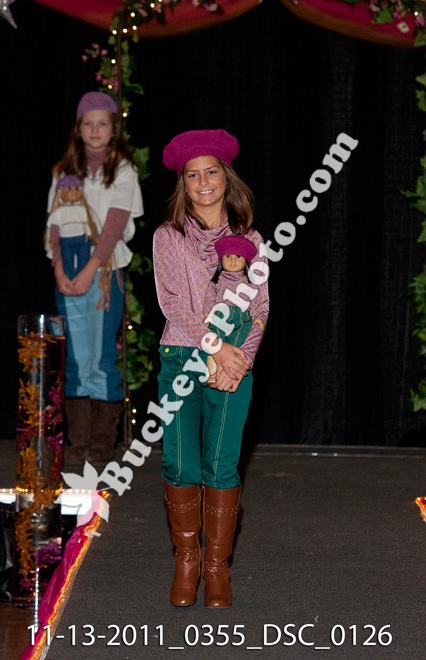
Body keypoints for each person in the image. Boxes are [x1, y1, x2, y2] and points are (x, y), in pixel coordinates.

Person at [153, 129, 269, 608]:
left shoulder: (252, 239)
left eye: (211, 172)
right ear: (183, 182)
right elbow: (173, 304)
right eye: (192, 175)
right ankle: (187, 562)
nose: (203, 182)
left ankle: (217, 567)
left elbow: (260, 308)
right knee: (180, 462)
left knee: (221, 464)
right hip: (181, 357)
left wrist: (240, 360)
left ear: (226, 177)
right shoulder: (168, 236)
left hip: (233, 364)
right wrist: (215, 347)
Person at [46, 91, 143, 463]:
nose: (95, 129)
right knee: (74, 357)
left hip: (104, 269)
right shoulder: (63, 172)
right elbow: (54, 227)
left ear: (114, 128)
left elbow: (115, 224)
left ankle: (102, 442)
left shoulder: (123, 171)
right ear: (78, 128)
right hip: (68, 269)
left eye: (103, 123)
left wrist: (91, 269)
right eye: (88, 123)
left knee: (101, 356)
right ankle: (78, 441)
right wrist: (59, 269)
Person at [203, 234, 265, 385]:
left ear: (246, 261)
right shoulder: (217, 280)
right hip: (219, 315)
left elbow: (255, 300)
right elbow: (209, 297)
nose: (232, 260)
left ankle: (229, 374)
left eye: (238, 256)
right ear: (221, 260)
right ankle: (212, 372)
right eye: (228, 256)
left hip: (242, 318)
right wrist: (207, 313)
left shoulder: (250, 283)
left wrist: (257, 317)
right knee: (215, 345)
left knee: (237, 345)